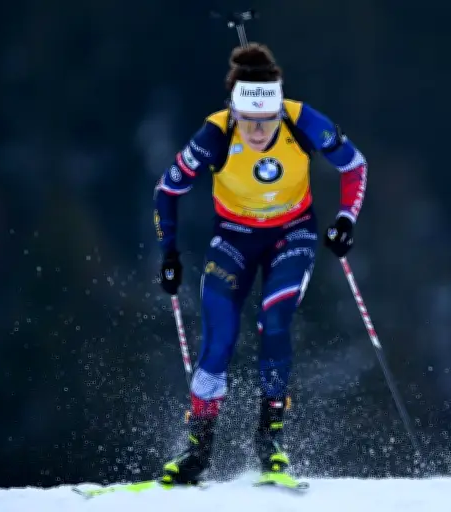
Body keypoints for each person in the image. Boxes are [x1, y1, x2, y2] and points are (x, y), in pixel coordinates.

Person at [152, 42, 367, 485]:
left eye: (265, 120)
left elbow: (355, 165)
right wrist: (169, 252)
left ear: (277, 111)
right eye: (247, 121)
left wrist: (346, 219)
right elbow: (166, 191)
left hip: (292, 234)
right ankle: (198, 447)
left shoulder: (301, 119)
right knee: (218, 339)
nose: (255, 130)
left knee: (276, 317)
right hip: (233, 239)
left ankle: (270, 439)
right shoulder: (214, 134)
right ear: (233, 113)